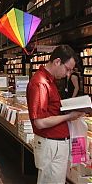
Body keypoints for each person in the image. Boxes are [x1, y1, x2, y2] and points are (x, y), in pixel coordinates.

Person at [26, 45, 85, 184]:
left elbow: (50, 110)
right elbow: (39, 122)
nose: (68, 74)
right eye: (67, 69)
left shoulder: (50, 81)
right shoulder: (40, 83)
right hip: (51, 144)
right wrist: (69, 116)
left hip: (55, 143)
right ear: (57, 61)